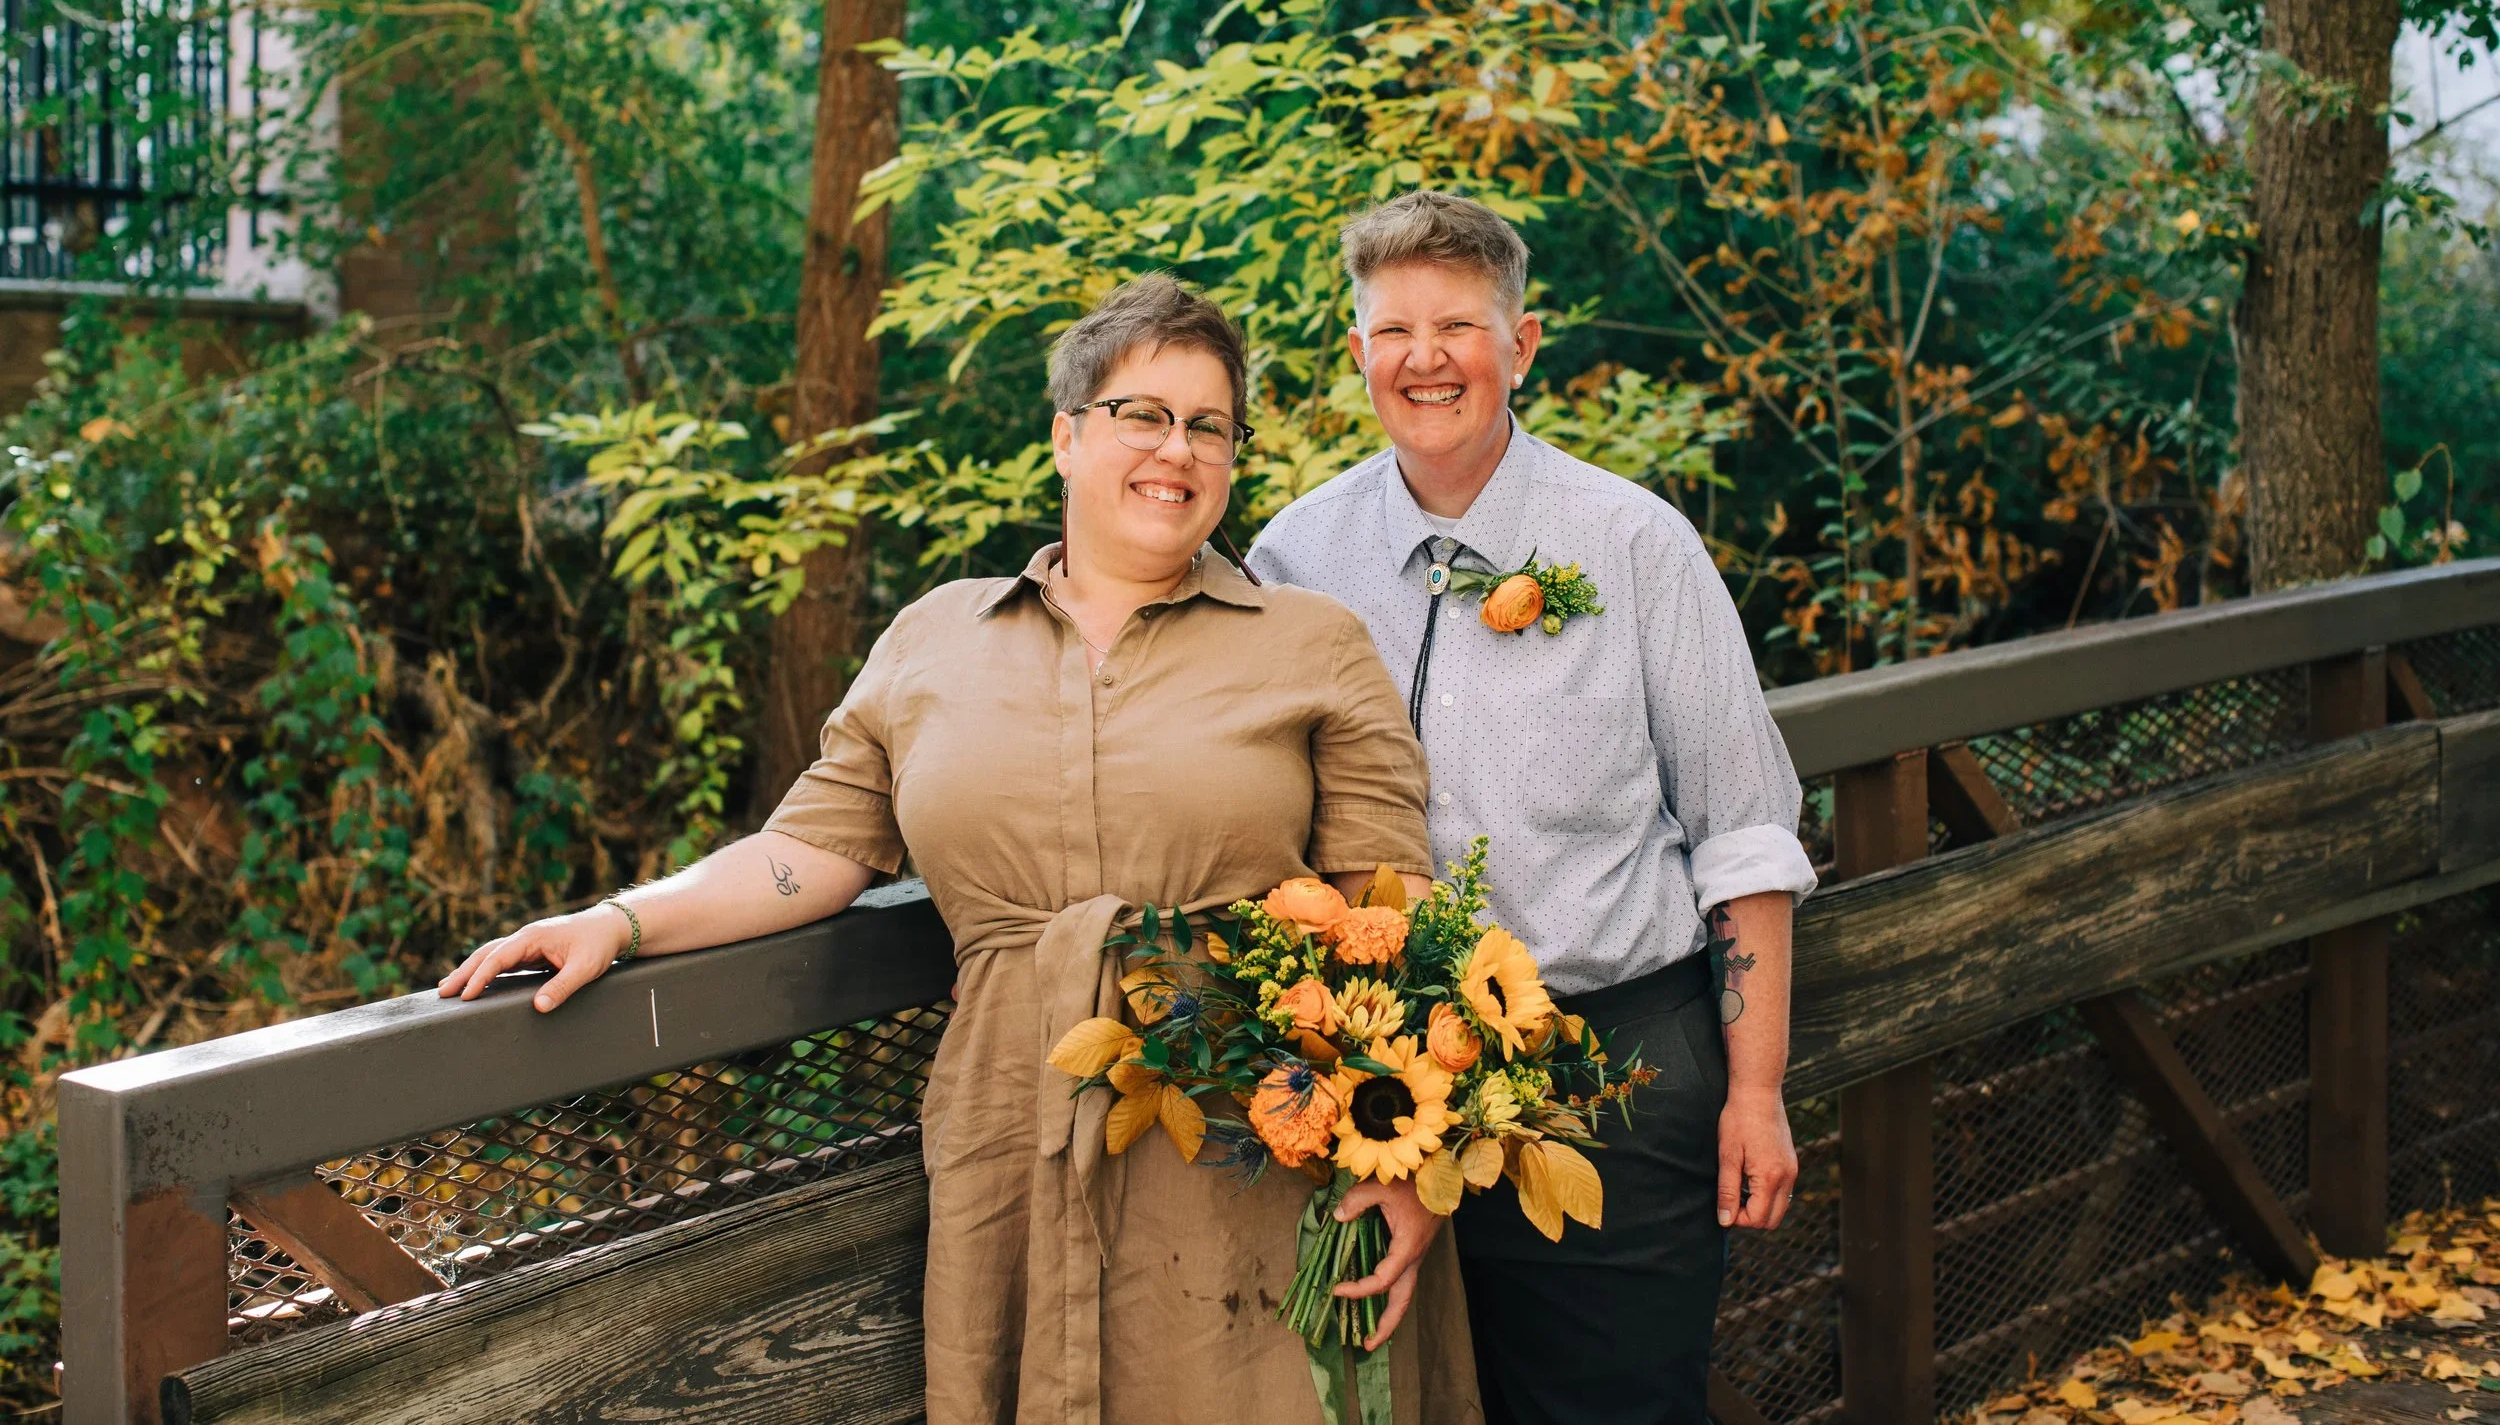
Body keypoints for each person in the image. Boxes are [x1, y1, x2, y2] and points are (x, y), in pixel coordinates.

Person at [439, 273, 1480, 1425]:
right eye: (1143, 413)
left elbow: (1392, 908)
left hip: (1255, 1125)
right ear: (1066, 436)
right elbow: (811, 851)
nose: (1174, 449)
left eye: (1208, 426)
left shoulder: (1311, 643)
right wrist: (622, 920)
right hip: (1011, 1122)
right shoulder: (936, 637)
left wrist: (1409, 1157)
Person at [1246, 192, 1815, 1425]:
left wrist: (1754, 1089)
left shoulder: (1632, 545)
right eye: (1393, 328)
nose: (1425, 357)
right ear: (1357, 353)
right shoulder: (1293, 561)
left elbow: (1742, 831)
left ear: (1523, 342)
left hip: (1613, 1068)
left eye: (1459, 324)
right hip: (1374, 1090)